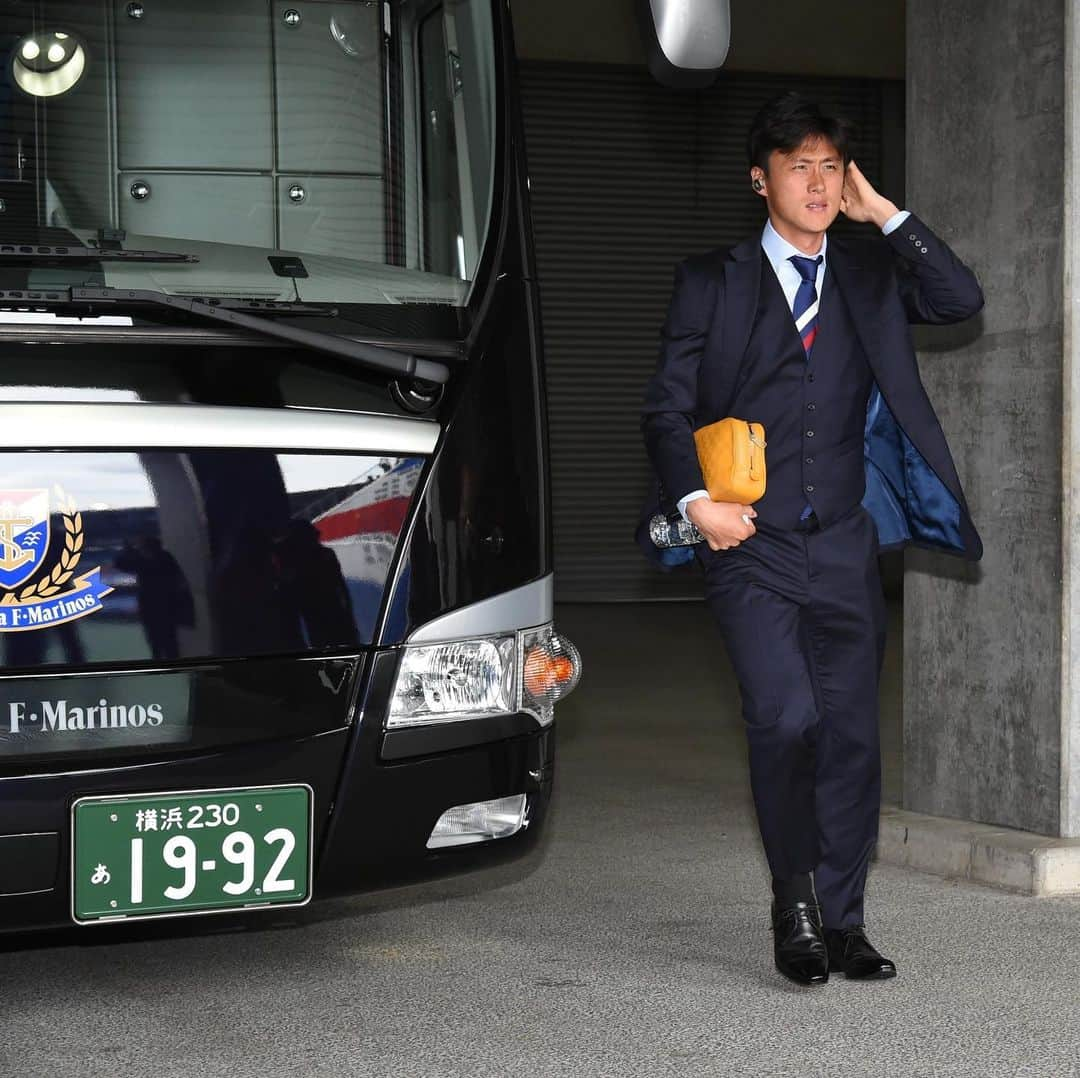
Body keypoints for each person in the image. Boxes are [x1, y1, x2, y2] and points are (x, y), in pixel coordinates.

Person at [641, 91, 983, 986]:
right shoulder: (711, 280)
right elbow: (666, 409)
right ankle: (793, 898)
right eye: (801, 166)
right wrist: (693, 501)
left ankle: (843, 923)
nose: (820, 183)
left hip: (842, 545)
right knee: (785, 718)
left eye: (832, 167)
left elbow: (959, 297)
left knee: (851, 741)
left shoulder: (868, 275)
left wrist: (887, 215)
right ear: (761, 180)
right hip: (747, 546)